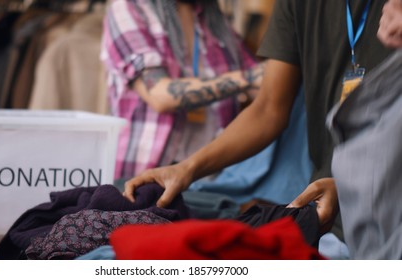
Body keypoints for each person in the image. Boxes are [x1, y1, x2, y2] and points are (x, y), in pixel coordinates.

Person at [124, 0, 395, 251]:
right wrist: (186, 169)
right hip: (323, 219)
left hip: (386, 217)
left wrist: (353, 184)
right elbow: (268, 109)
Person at [100, 0, 263, 180]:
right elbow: (161, 95)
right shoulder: (129, 9)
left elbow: (262, 85)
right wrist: (247, 78)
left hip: (210, 177)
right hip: (145, 176)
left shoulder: (213, 19)